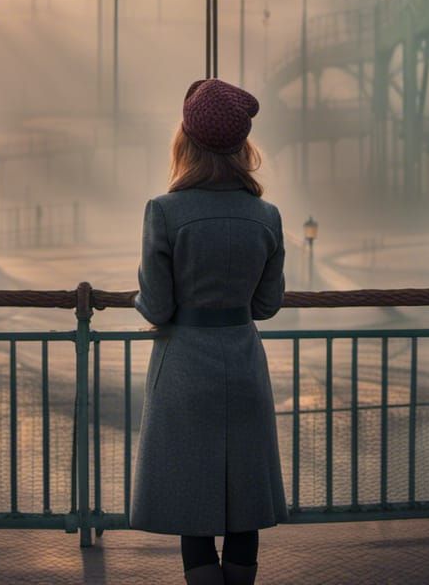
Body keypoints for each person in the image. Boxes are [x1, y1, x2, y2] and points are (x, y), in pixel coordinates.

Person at [130, 78, 288, 584]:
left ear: (186, 143)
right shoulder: (266, 216)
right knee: (244, 503)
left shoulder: (164, 212)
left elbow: (155, 304)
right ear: (243, 148)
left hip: (184, 369)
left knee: (191, 501)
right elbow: (267, 305)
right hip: (242, 363)